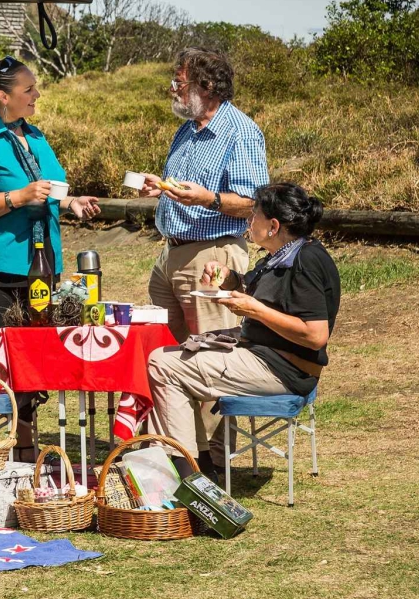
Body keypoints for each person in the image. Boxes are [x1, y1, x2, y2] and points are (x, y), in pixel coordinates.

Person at [0, 57, 101, 451]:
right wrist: (16, 197)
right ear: (3, 96)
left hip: (38, 266)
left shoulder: (35, 136)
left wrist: (71, 203)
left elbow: (50, 189)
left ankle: (23, 440)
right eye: (28, 89)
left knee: (31, 353)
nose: (36, 95)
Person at [145, 182, 338, 476]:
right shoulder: (283, 254)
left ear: (273, 226)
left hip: (281, 369)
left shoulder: (305, 261)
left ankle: (188, 474)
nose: (249, 221)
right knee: (175, 355)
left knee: (163, 364)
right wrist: (229, 278)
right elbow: (262, 291)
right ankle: (200, 465)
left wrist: (254, 310)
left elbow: (315, 335)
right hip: (264, 356)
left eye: (254, 215)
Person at [138, 47, 269, 469]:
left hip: (213, 257)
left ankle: (211, 463)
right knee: (172, 359)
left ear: (206, 85)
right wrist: (161, 188)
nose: (172, 89)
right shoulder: (187, 131)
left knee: (212, 358)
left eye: (179, 82)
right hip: (171, 256)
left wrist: (209, 199)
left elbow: (254, 203)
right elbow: (182, 189)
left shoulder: (240, 132)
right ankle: (183, 454)